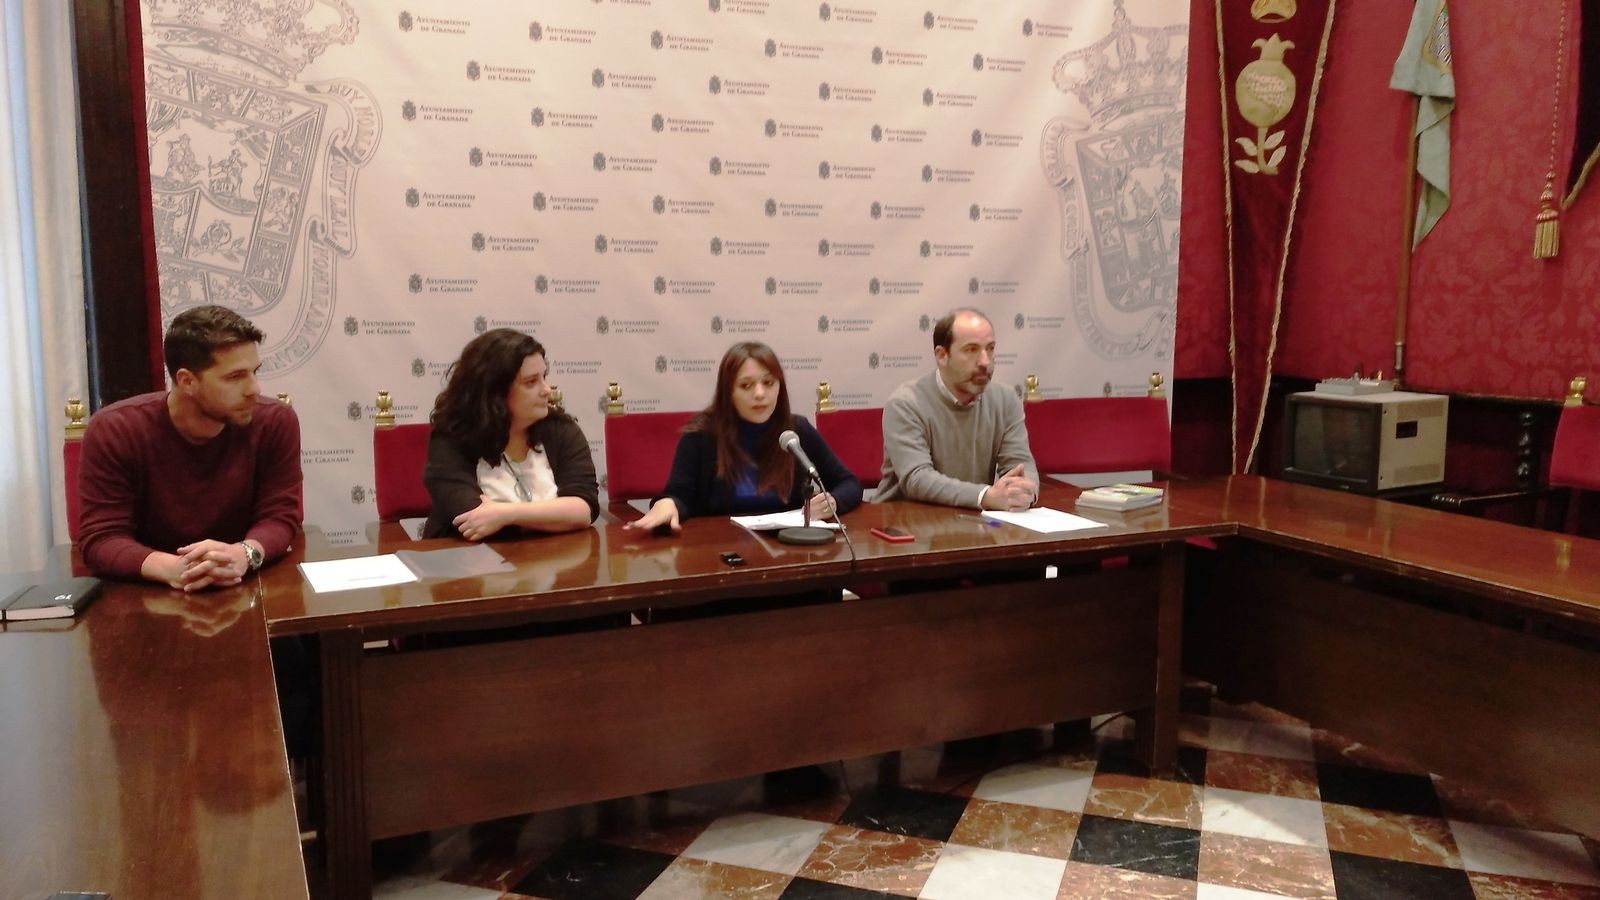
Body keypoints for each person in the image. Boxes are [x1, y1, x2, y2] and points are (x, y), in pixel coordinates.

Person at [78, 304, 301, 590]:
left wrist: (244, 554)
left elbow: (281, 516)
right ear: (187, 381)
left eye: (254, 371)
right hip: (149, 588)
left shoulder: (275, 421)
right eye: (235, 377)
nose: (254, 388)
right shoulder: (116, 430)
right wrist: (175, 568)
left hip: (243, 581)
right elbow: (101, 538)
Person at [626, 341, 862, 533]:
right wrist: (668, 503)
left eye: (768, 383)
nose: (760, 394)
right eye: (747, 386)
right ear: (729, 392)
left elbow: (849, 483)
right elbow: (679, 496)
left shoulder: (795, 430)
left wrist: (834, 501)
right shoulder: (701, 436)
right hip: (720, 555)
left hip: (788, 551)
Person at [424, 328, 599, 540]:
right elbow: (473, 521)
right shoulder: (452, 439)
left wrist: (504, 514)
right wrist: (555, 516)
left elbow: (584, 509)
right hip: (470, 564)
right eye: (531, 382)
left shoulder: (560, 429)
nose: (546, 390)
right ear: (494, 391)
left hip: (553, 562)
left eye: (544, 377)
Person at [876, 307, 1039, 510]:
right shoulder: (906, 403)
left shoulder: (1005, 399)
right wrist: (984, 496)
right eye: (971, 350)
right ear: (942, 355)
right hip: (905, 524)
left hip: (973, 521)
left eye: (990, 348)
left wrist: (1025, 492)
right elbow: (917, 478)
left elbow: (1021, 464)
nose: (985, 361)